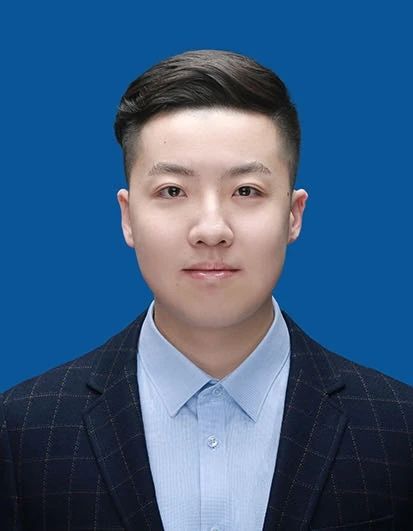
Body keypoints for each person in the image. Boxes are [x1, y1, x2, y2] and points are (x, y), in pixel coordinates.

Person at [1, 49, 412, 531]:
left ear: (293, 215)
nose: (211, 230)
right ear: (128, 217)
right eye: (173, 191)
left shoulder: (398, 427)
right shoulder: (23, 429)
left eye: (246, 191)